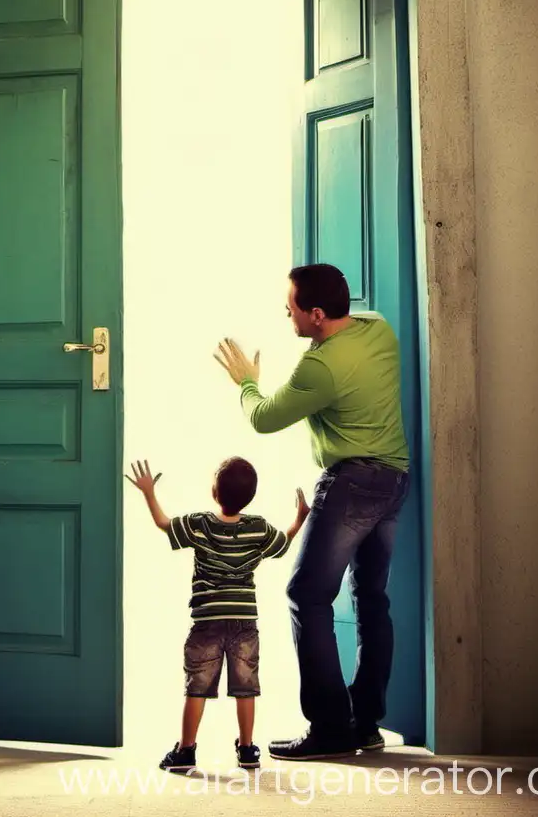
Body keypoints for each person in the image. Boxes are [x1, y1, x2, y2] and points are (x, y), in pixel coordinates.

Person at [214, 262, 410, 760]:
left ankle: (329, 728)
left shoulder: (319, 367)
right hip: (393, 481)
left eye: (292, 308)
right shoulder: (378, 329)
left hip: (353, 484)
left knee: (307, 594)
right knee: (372, 600)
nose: (288, 314)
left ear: (317, 314)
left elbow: (263, 418)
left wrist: (246, 381)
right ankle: (365, 723)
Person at [125, 456, 309, 773]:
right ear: (250, 496)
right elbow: (282, 545)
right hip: (244, 623)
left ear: (214, 492)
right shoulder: (258, 528)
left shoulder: (200, 525)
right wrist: (299, 518)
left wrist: (148, 493)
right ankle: (248, 749)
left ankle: (185, 751)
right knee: (246, 687)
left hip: (207, 622)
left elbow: (164, 524)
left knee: (196, 687)